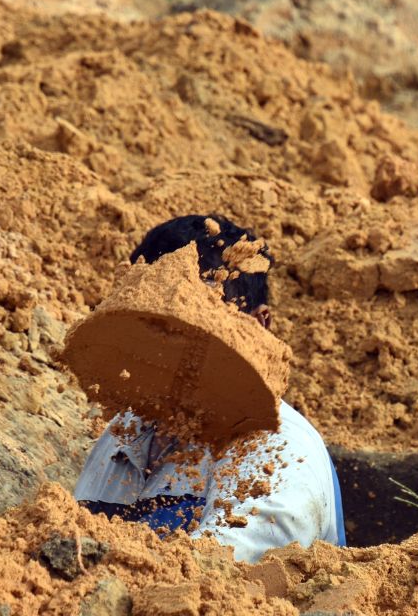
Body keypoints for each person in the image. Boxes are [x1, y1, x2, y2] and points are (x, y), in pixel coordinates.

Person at [74, 215, 346, 563]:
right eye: (152, 321)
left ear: (258, 327)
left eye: (197, 317)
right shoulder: (123, 434)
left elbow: (215, 586)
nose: (169, 344)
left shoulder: (279, 449)